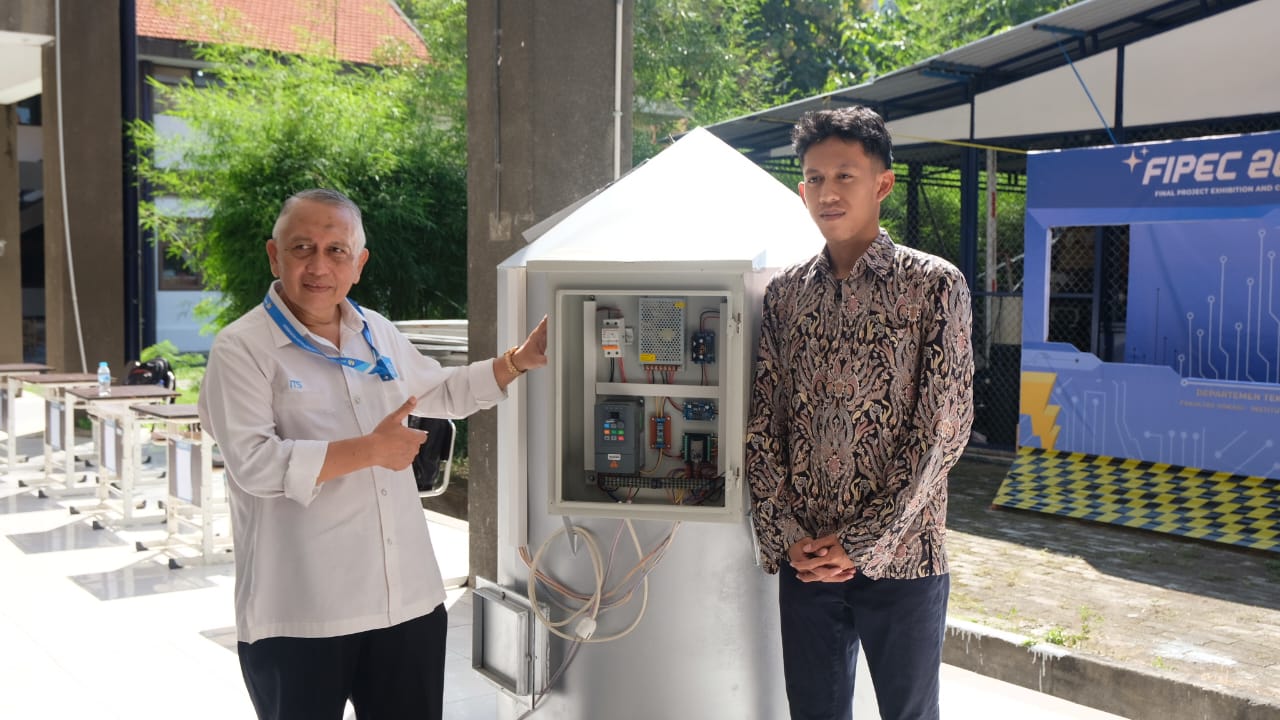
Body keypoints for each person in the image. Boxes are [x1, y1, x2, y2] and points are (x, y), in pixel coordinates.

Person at [197, 188, 548, 720]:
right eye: (302, 248)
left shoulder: (376, 331)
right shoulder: (242, 348)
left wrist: (518, 360)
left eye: (336, 250)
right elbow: (254, 464)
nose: (319, 265)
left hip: (404, 601)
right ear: (274, 255)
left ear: (358, 264)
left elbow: (440, 391)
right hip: (302, 613)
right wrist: (370, 450)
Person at [745, 107, 974, 720]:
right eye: (815, 179)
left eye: (845, 176)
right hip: (806, 560)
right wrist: (787, 536)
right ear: (802, 191)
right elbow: (763, 426)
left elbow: (943, 431)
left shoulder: (933, 285)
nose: (828, 192)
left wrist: (862, 541)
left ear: (883, 183)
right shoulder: (787, 295)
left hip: (904, 558)